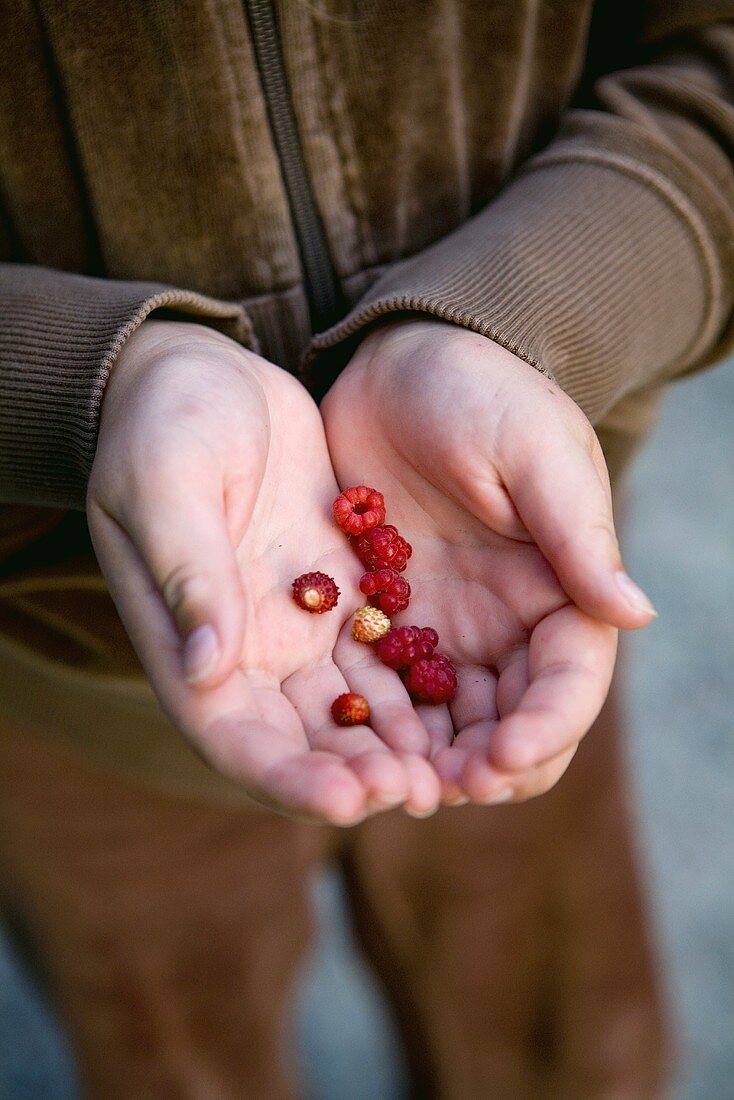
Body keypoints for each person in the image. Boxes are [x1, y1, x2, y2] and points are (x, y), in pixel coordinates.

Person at [0, 0, 732, 1095]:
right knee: (174, 1044)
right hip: (63, 675)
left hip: (500, 585)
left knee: (559, 1019)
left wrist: (522, 313)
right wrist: (86, 380)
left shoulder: (446, 620)